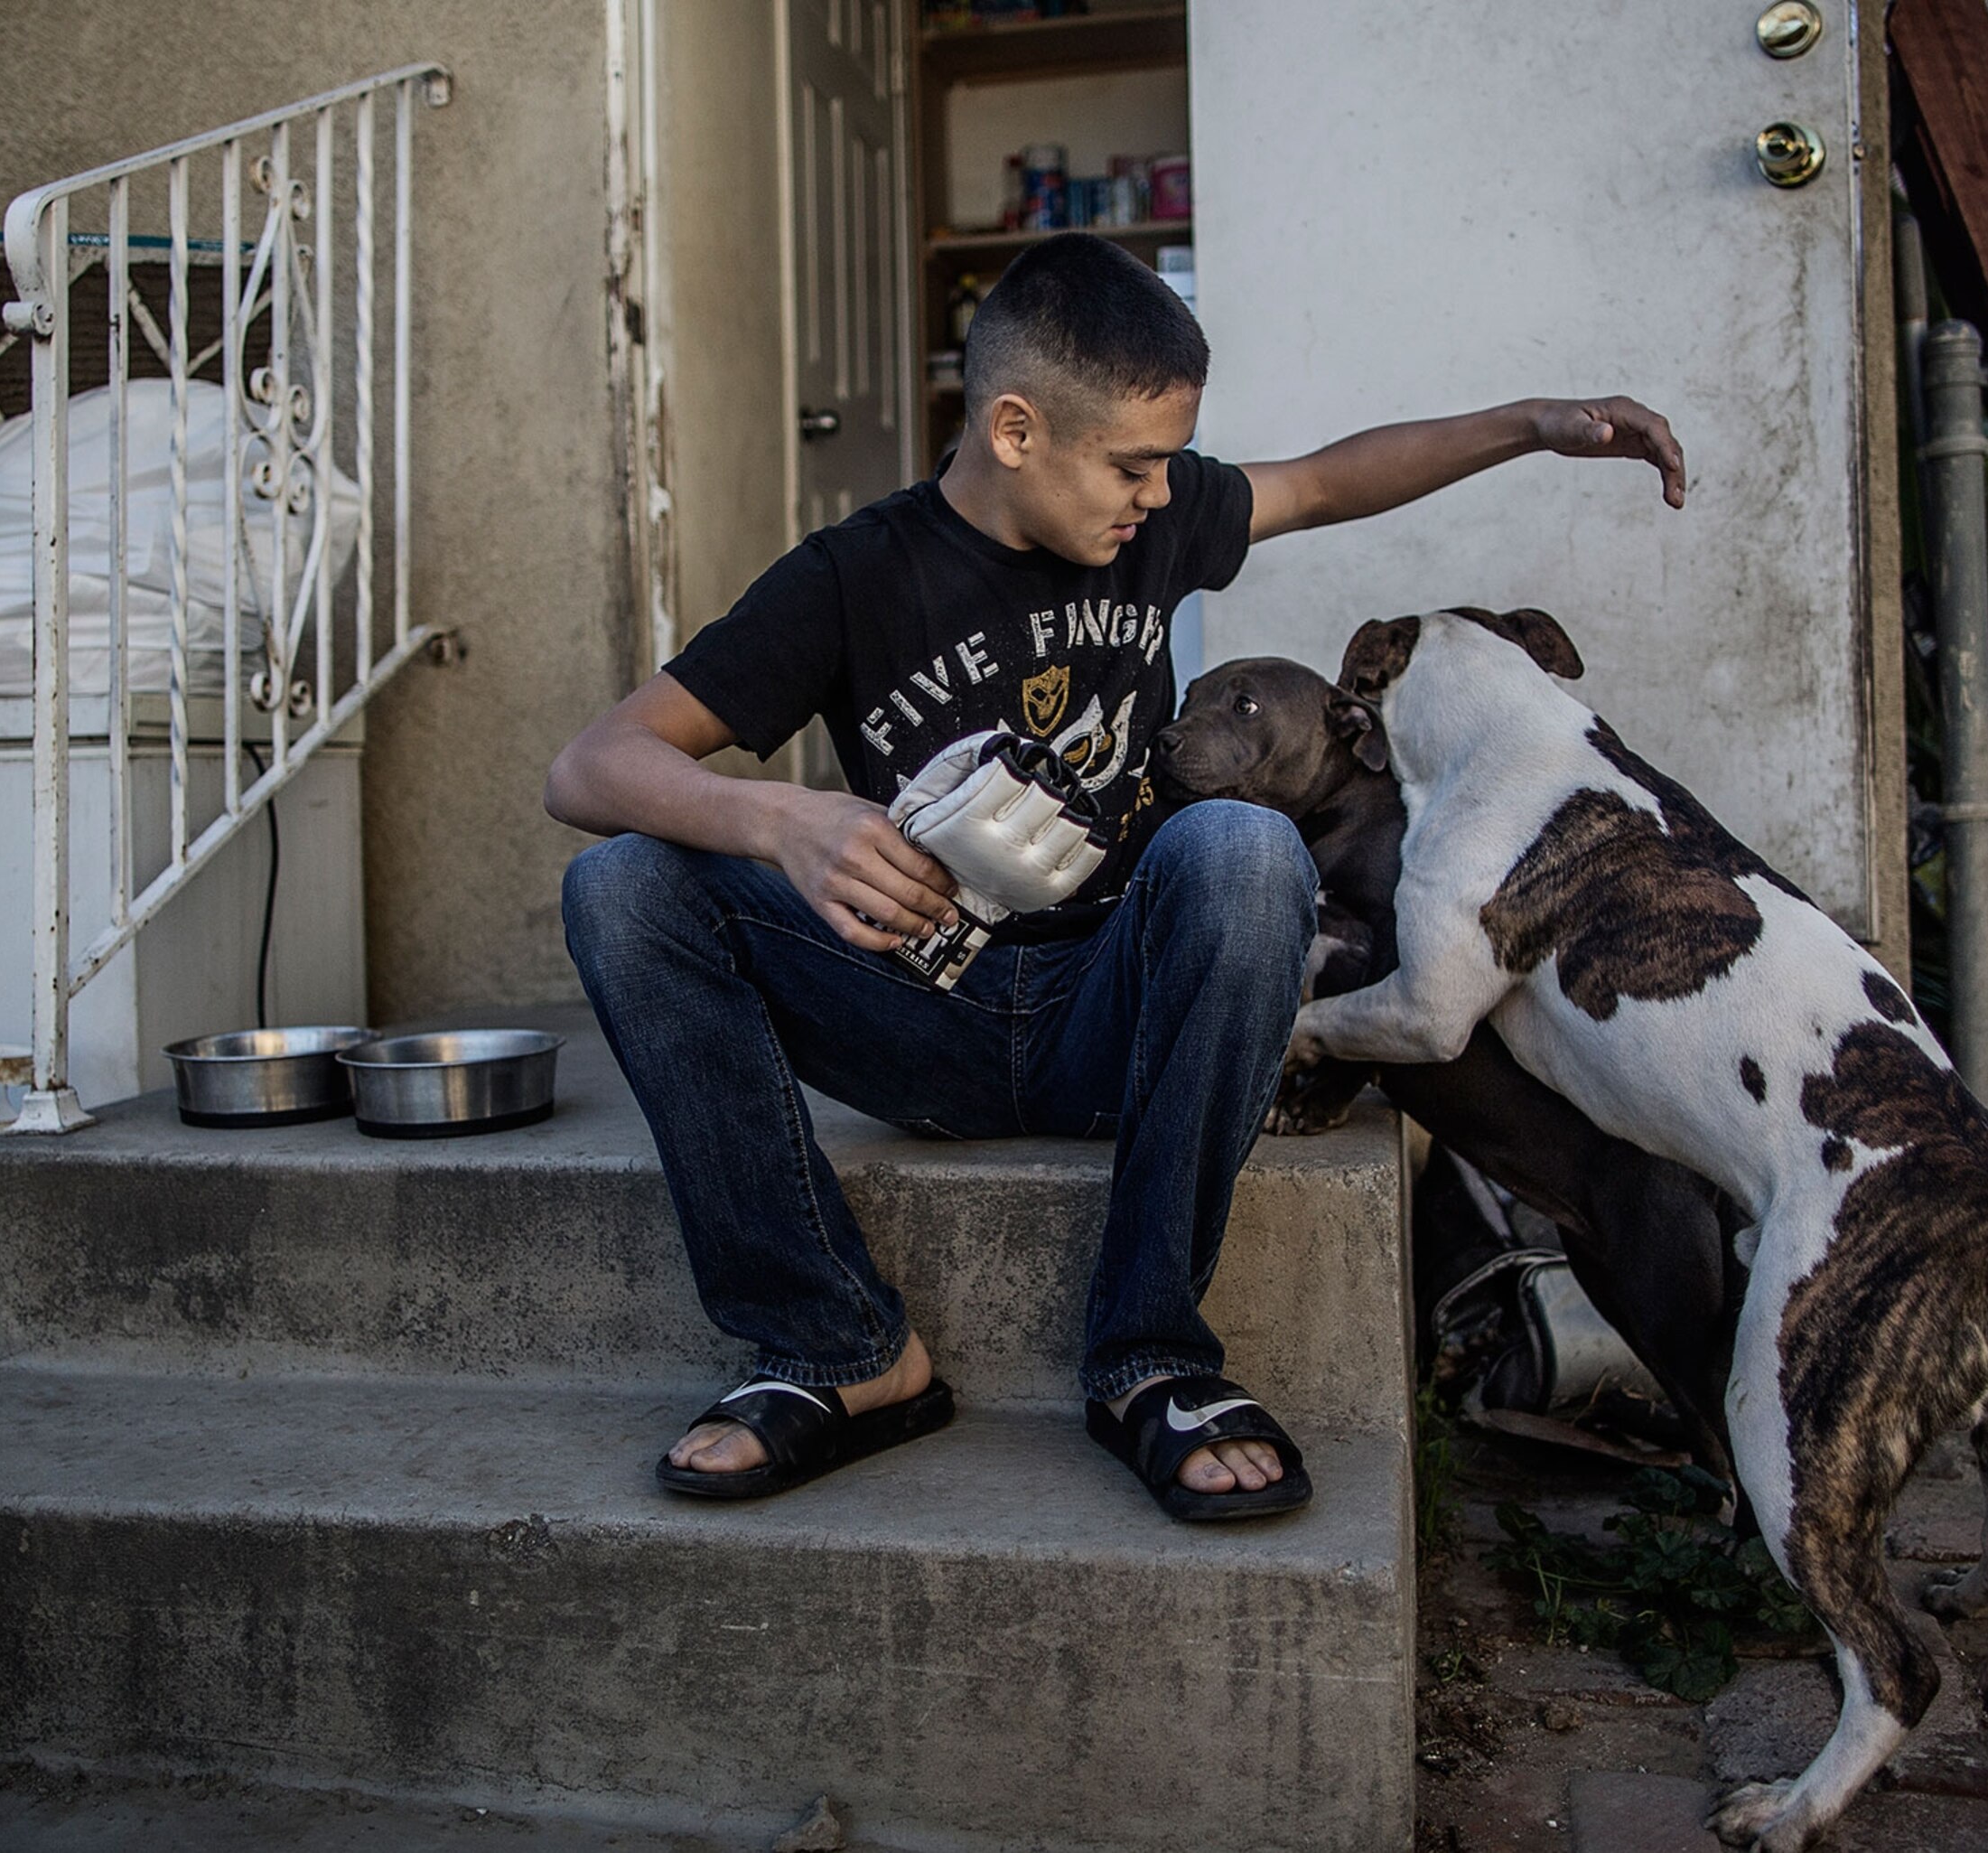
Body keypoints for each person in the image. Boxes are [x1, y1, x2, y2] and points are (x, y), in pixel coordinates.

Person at [547, 231, 1684, 1521]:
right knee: (626, 887)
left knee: (1243, 850)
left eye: (1167, 464)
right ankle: (840, 1350)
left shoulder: (1150, 523)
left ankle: (1150, 1359)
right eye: (1132, 465)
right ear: (1018, 429)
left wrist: (1530, 424)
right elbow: (591, 767)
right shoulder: (854, 578)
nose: (1157, 494)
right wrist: (778, 822)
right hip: (919, 1014)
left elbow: (1324, 480)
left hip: (1117, 1011)